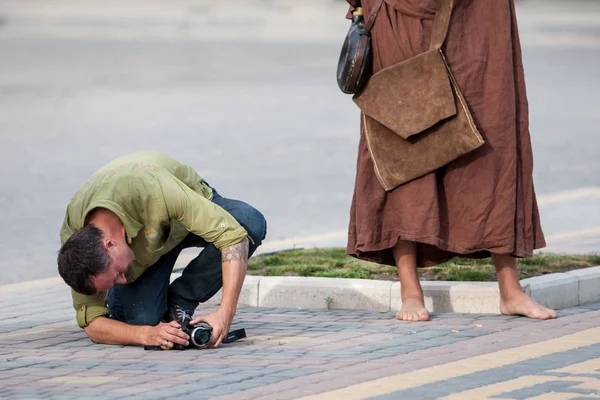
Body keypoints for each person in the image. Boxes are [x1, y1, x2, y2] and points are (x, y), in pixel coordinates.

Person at [345, 0, 556, 321]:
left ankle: (511, 289)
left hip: (477, 15)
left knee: (493, 145)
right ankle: (410, 291)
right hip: (399, 15)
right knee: (404, 141)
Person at [57, 151, 267, 349]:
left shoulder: (152, 190)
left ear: (110, 245)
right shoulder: (76, 244)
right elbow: (93, 325)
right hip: (153, 244)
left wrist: (225, 314)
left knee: (249, 224)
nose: (122, 280)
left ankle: (182, 298)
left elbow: (233, 238)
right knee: (142, 320)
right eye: (112, 284)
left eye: (117, 275)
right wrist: (147, 334)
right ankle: (137, 305)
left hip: (184, 211)